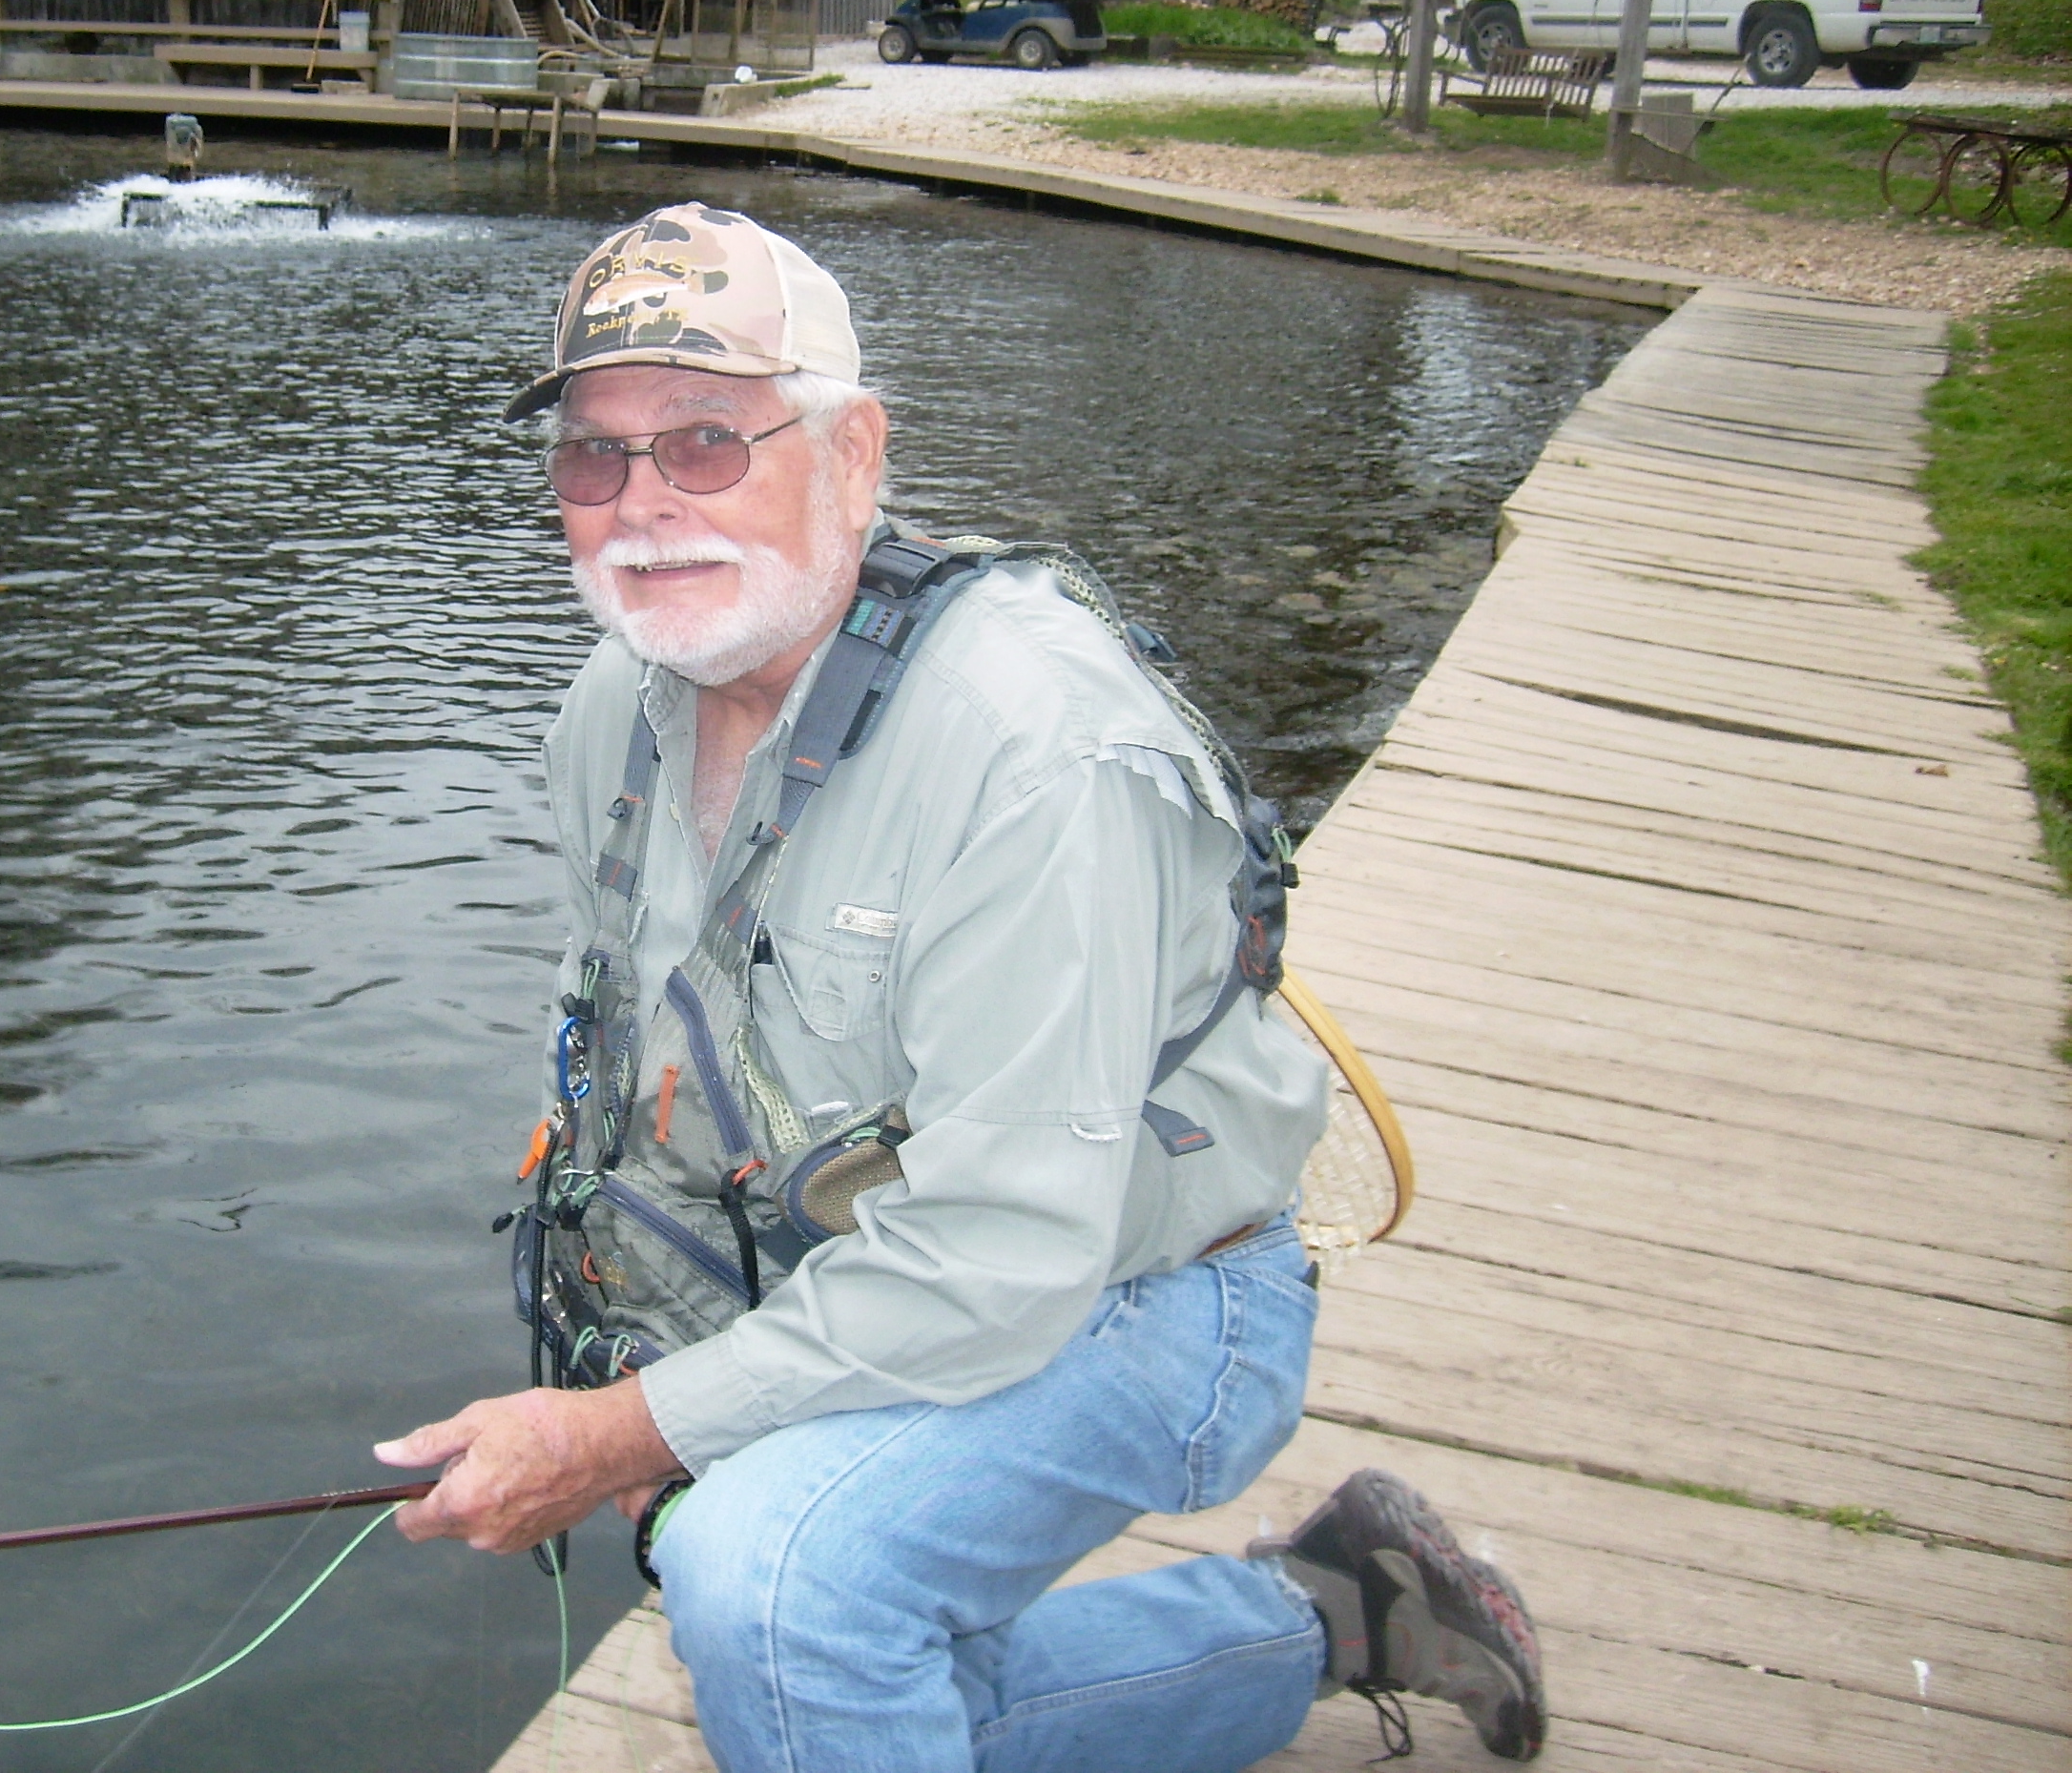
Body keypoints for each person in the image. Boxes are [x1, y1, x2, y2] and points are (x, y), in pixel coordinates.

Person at [375, 205, 1545, 1769]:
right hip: (879, 1273)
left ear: (855, 454)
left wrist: (628, 1436)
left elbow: (1005, 1251)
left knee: (774, 1585)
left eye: (709, 439)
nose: (642, 507)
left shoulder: (1039, 748)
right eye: (594, 457)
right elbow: (609, 1060)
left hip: (1155, 1296)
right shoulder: (616, 703)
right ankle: (1350, 1613)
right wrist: (648, 1363)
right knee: (819, 1664)